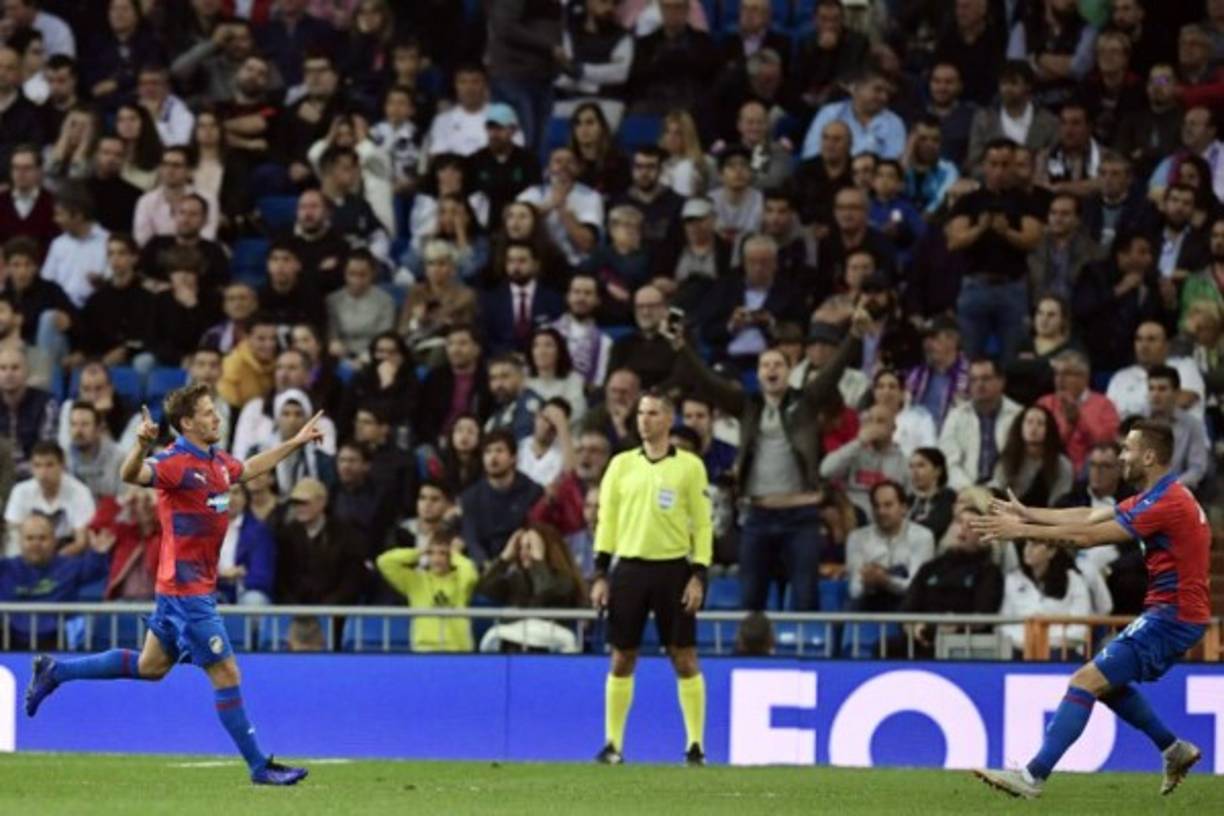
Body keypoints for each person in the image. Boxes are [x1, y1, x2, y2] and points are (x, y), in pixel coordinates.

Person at [24, 382, 325, 784]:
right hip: (187, 593)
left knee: (150, 667)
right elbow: (131, 473)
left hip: (180, 590)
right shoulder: (174, 462)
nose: (216, 417)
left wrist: (295, 442)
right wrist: (140, 446)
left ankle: (55, 671)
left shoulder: (217, 461)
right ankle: (259, 766)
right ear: (187, 423)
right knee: (227, 674)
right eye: (208, 413)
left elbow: (250, 467)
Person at [972, 420, 1210, 800]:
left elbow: (1086, 537)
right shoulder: (1162, 495)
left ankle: (1032, 777)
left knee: (1084, 681)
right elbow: (1088, 516)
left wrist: (1021, 531)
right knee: (1105, 684)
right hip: (1174, 613)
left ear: (1149, 456)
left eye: (1128, 449)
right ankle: (1172, 748)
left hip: (1172, 615)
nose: (1121, 456)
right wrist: (1028, 513)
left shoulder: (1166, 503)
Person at [590, 389, 711, 766]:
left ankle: (695, 745)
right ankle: (613, 744)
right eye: (641, 413)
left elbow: (702, 524)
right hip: (629, 569)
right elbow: (606, 521)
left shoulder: (689, 467)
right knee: (622, 657)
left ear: (669, 419)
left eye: (653, 413)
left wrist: (699, 574)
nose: (645, 419)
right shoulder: (621, 465)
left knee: (683, 656)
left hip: (673, 568)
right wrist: (600, 573)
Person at [901, 506, 1004, 657]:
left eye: (971, 525)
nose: (963, 529)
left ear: (982, 537)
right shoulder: (929, 568)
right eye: (958, 522)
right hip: (922, 638)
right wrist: (914, 628)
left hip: (964, 643)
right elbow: (907, 608)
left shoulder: (989, 572)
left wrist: (956, 625)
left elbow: (983, 616)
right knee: (885, 647)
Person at [377, 523, 478, 652]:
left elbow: (471, 576)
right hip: (424, 650)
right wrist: (420, 551)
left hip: (457, 650)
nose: (437, 559)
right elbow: (384, 562)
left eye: (443, 553)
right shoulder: (416, 581)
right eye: (432, 553)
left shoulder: (460, 580)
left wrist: (456, 554)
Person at [845, 480, 936, 613]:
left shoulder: (922, 536)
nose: (881, 511)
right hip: (868, 605)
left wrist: (886, 581)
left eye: (888, 505)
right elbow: (855, 590)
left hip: (907, 607)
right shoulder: (857, 537)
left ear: (904, 508)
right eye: (876, 506)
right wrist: (869, 581)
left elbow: (916, 587)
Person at [459, 429, 544, 567]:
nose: (493, 457)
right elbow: (472, 540)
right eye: (488, 452)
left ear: (513, 458)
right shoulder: (470, 497)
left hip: (523, 561)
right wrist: (487, 566)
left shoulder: (532, 491)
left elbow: (535, 533)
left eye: (499, 451)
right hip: (487, 565)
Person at [940, 357, 1024, 490]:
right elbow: (949, 461)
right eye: (974, 379)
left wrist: (991, 491)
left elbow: (1015, 461)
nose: (979, 384)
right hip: (963, 491)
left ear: (1001, 382)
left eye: (986, 379)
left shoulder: (1018, 415)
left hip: (1006, 491)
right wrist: (970, 491)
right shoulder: (956, 416)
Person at [1144, 366, 1209, 489]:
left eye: (1162, 389)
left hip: (1176, 490)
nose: (1155, 394)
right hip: (1139, 491)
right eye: (1151, 389)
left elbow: (1197, 468)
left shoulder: (1192, 425)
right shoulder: (1138, 421)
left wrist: (1169, 487)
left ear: (1176, 393)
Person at [908, 447, 957, 545]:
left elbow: (935, 528)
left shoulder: (948, 497)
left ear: (937, 471)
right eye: (911, 466)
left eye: (921, 465)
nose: (914, 472)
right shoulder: (909, 499)